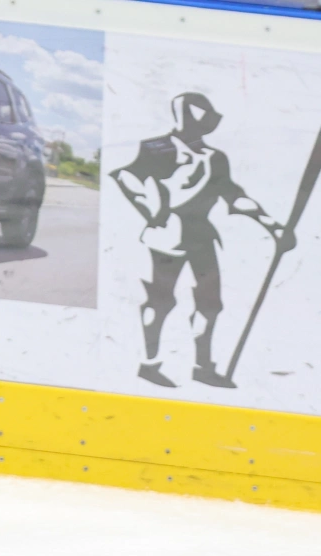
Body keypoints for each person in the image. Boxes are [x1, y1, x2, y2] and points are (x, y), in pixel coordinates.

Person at [111, 92, 294, 389]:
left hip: (201, 237)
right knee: (160, 300)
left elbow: (234, 196)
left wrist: (273, 226)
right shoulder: (155, 148)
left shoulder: (215, 158)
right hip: (166, 237)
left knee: (210, 304)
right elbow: (126, 177)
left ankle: (203, 368)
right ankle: (149, 364)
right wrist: (151, 210)